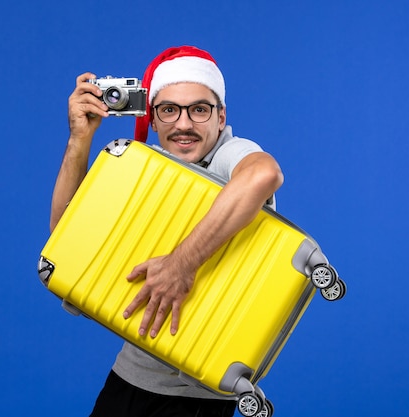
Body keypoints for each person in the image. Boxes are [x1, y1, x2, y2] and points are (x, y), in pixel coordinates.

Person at [49, 46, 284, 417]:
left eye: (200, 109)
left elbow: (262, 174)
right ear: (153, 119)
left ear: (221, 117)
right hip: (131, 374)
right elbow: (65, 242)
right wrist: (80, 139)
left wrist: (181, 265)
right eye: (169, 109)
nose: (184, 124)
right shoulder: (151, 168)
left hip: (197, 393)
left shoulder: (228, 155)